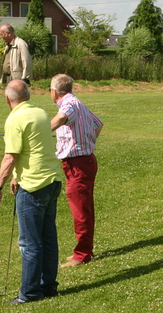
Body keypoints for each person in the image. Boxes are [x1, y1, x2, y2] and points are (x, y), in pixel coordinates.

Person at [0, 80, 62, 304]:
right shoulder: (40, 113)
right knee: (48, 237)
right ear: (28, 96)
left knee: (30, 243)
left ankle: (30, 293)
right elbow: (32, 148)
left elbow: (10, 156)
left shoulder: (14, 119)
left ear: (7, 99)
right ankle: (48, 286)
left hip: (33, 187)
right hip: (52, 181)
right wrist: (15, 177)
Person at [50, 74, 103, 267]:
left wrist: (41, 131)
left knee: (80, 210)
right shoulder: (79, 103)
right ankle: (86, 250)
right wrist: (87, 142)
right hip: (84, 161)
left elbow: (62, 117)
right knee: (84, 207)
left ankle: (82, 255)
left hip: (78, 164)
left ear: (54, 92)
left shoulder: (68, 105)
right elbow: (98, 124)